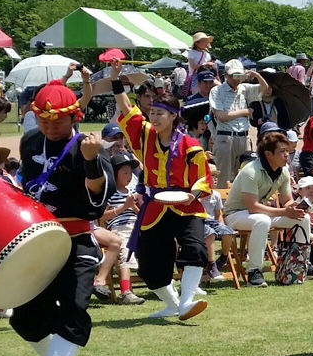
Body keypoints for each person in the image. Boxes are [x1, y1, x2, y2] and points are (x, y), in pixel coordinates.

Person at [16, 81, 112, 356]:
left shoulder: (86, 146)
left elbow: (98, 201)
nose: (50, 127)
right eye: (43, 121)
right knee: (24, 315)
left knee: (74, 307)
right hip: (37, 240)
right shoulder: (29, 142)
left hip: (76, 240)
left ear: (75, 116)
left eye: (57, 121)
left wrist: (90, 161)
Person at [110, 68, 211, 321]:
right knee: (149, 263)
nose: (153, 117)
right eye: (152, 112)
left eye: (159, 113)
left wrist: (194, 194)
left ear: (173, 117)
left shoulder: (190, 145)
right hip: (155, 206)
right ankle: (173, 303)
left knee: (195, 249)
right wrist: (115, 79)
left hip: (187, 204)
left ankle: (187, 301)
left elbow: (203, 177)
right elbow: (125, 108)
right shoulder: (145, 136)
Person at [225, 130, 311, 288]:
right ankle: (254, 273)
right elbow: (253, 207)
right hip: (235, 215)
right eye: (282, 151)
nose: (287, 155)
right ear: (268, 154)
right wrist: (285, 211)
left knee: (303, 217)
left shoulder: (283, 171)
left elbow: (286, 202)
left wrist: (297, 206)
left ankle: (300, 262)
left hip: (260, 214)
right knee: (262, 220)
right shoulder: (251, 172)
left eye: (287, 150)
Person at [94, 152, 146, 305]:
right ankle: (126, 292)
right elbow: (103, 216)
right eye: (125, 173)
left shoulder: (131, 191)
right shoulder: (110, 193)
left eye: (130, 173)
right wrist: (124, 207)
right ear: (114, 174)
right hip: (119, 227)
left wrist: (136, 207)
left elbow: (138, 213)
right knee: (125, 250)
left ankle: (162, 283)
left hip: (136, 225)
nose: (129, 176)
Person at [209, 60, 268, 188]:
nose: (236, 79)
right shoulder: (217, 90)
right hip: (225, 137)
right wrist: (246, 111)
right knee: (222, 176)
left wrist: (256, 75)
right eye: (233, 76)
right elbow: (222, 116)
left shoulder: (244, 88)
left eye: (239, 76)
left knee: (243, 174)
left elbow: (265, 89)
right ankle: (222, 205)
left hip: (243, 136)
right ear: (226, 75)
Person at [184, 32, 215, 97]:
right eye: (203, 41)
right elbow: (193, 66)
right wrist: (206, 64)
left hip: (208, 76)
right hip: (196, 77)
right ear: (197, 43)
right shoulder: (192, 53)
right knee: (197, 96)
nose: (206, 43)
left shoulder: (207, 54)